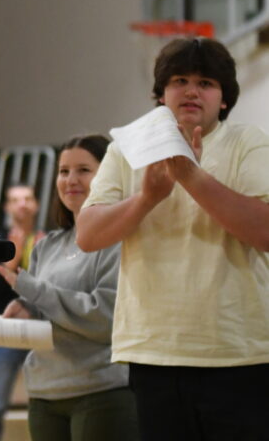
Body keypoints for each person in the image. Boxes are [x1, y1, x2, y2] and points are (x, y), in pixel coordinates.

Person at [76, 38, 269, 441]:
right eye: (180, 79)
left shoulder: (248, 141)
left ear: (225, 99)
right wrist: (147, 198)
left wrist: (190, 176)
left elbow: (264, 231)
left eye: (206, 82)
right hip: (153, 349)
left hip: (237, 351)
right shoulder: (128, 147)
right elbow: (89, 235)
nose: (192, 90)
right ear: (162, 94)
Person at [0, 134, 138, 441]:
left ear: (108, 175)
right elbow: (42, 304)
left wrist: (34, 291)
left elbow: (106, 318)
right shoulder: (49, 246)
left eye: (83, 170)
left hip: (101, 392)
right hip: (45, 392)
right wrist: (26, 309)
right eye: (63, 171)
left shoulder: (119, 240)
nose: (71, 180)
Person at [0, 183, 46, 441]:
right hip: (6, 329)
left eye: (28, 198)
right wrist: (14, 251)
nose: (22, 204)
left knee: (46, 402)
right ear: (8, 207)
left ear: (36, 204)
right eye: (16, 199)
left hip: (42, 328)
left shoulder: (48, 239)